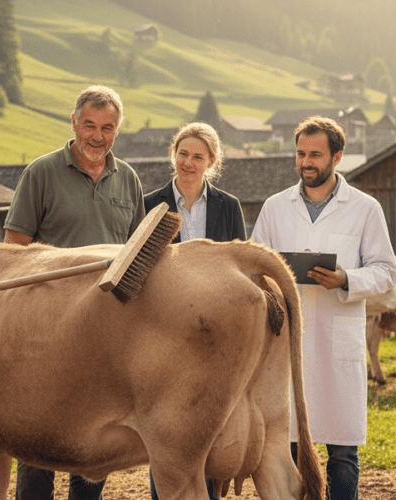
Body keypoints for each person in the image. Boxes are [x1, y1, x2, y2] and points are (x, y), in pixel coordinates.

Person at [3, 85, 146, 500]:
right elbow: (14, 251)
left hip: (107, 330)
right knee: (38, 432)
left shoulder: (129, 179)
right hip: (46, 330)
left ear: (117, 131)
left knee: (94, 436)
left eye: (108, 128)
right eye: (90, 125)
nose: (97, 136)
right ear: (73, 122)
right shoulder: (41, 173)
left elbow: (137, 253)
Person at [250, 116, 396, 500]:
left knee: (343, 454)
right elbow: (255, 268)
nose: (306, 162)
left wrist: (347, 279)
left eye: (315, 154)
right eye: (301, 154)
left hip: (338, 342)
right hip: (289, 345)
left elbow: (386, 271)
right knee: (292, 447)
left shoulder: (365, 209)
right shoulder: (275, 207)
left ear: (338, 157)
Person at [143, 122, 245, 500]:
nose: (188, 162)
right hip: (164, 331)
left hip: (214, 333)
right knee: (164, 426)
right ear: (174, 155)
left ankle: (211, 495)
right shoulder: (149, 204)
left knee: (211, 423)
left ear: (211, 162)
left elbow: (239, 267)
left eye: (197, 156)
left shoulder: (228, 206)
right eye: (183, 154)